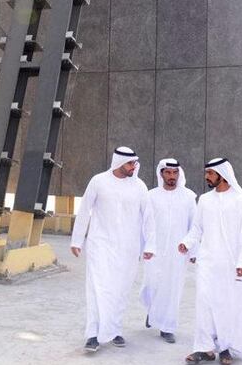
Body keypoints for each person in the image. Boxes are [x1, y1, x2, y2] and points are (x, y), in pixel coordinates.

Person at [71, 146, 156, 352]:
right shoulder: (98, 181)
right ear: (119, 163)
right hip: (100, 244)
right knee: (97, 288)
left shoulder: (140, 186)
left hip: (128, 247)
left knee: (120, 290)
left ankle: (115, 330)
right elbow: (84, 211)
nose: (134, 167)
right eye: (130, 163)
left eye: (134, 163)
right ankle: (93, 334)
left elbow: (148, 218)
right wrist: (77, 240)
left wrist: (150, 245)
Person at [178, 158, 242, 365]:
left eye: (210, 174)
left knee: (228, 306)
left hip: (232, 265)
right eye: (207, 173)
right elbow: (197, 228)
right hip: (207, 262)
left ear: (222, 175)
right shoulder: (205, 200)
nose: (206, 177)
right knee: (204, 304)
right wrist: (187, 243)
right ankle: (203, 348)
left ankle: (225, 348)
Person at [140, 158, 196, 343]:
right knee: (152, 284)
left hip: (178, 251)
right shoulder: (151, 196)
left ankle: (167, 327)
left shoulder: (188, 196)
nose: (172, 176)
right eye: (168, 173)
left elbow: (194, 225)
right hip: (155, 249)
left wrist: (193, 250)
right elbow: (145, 224)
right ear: (161, 173)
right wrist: (145, 247)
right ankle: (153, 310)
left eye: (175, 173)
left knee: (173, 288)